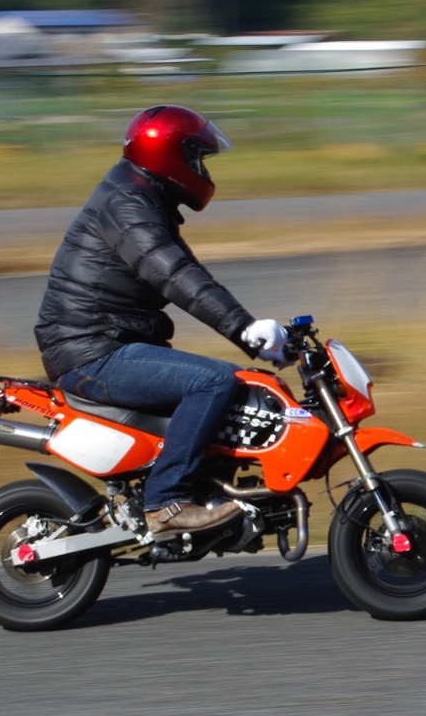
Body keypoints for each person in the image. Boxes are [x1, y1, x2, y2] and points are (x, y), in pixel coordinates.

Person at [35, 104, 288, 541]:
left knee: (243, 383)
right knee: (210, 382)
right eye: (196, 159)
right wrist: (243, 328)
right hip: (93, 352)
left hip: (106, 344)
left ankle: (211, 493)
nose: (201, 170)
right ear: (168, 155)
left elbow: (191, 275)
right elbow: (175, 276)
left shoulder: (142, 199)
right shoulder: (127, 206)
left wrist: (260, 339)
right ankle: (167, 503)